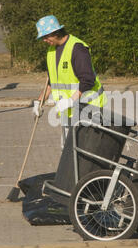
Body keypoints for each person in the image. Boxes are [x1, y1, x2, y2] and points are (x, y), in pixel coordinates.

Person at [33, 15, 107, 148]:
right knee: (68, 151)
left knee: (82, 151)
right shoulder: (51, 51)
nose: (44, 40)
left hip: (88, 108)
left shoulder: (77, 48)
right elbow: (51, 82)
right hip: (69, 111)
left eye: (45, 36)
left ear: (55, 32)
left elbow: (87, 80)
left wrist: (70, 101)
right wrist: (39, 102)